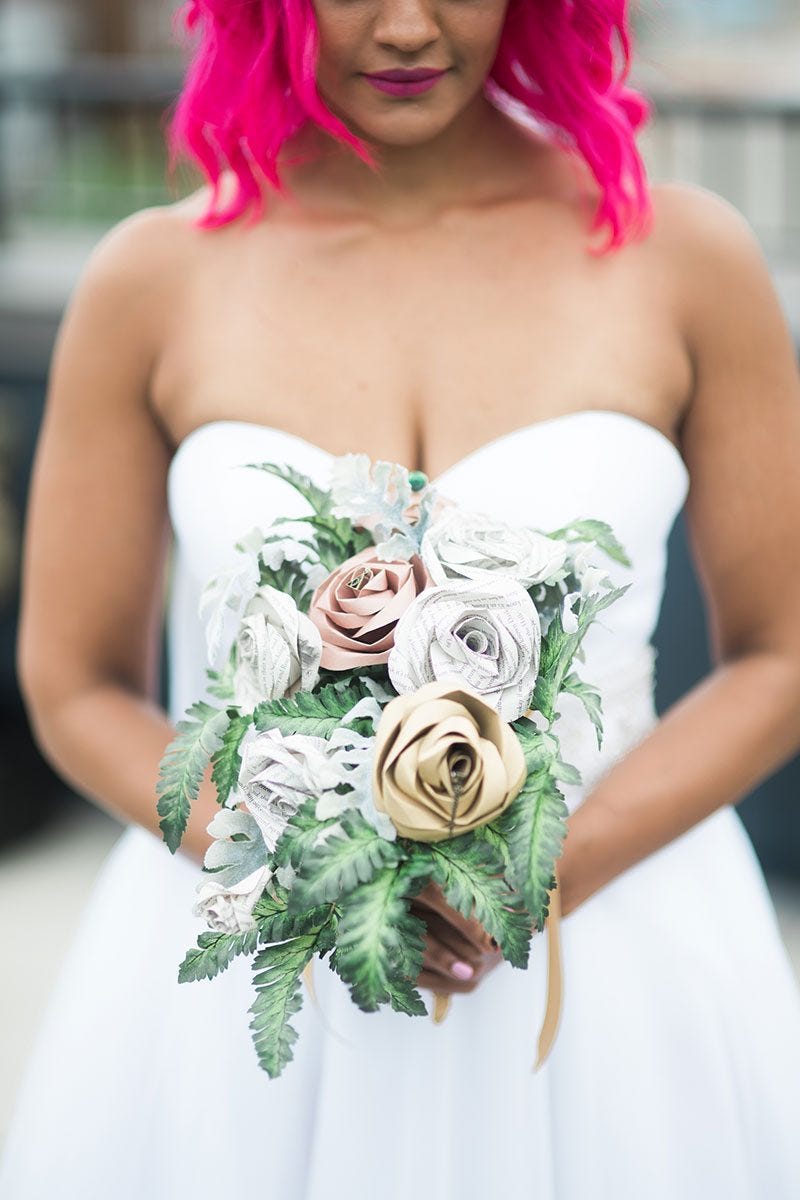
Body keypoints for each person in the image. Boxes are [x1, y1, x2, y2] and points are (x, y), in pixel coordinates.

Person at [2, 0, 800, 1195]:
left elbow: (781, 654)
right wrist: (289, 870)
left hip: (621, 955)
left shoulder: (679, 256)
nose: (411, 24)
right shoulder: (152, 280)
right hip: (248, 983)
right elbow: (68, 681)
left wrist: (542, 873)